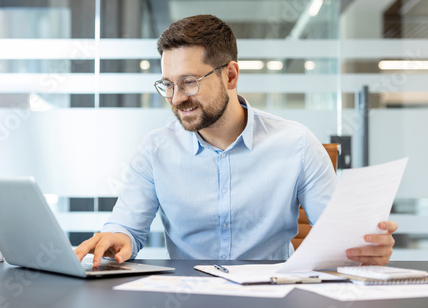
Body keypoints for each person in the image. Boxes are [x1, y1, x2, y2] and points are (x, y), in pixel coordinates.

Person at [75, 14, 397, 267]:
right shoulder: (155, 150)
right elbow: (126, 229)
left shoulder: (297, 145)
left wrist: (366, 248)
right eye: (168, 85)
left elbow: (339, 235)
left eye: (188, 83)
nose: (176, 99)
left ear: (230, 75)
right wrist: (117, 239)